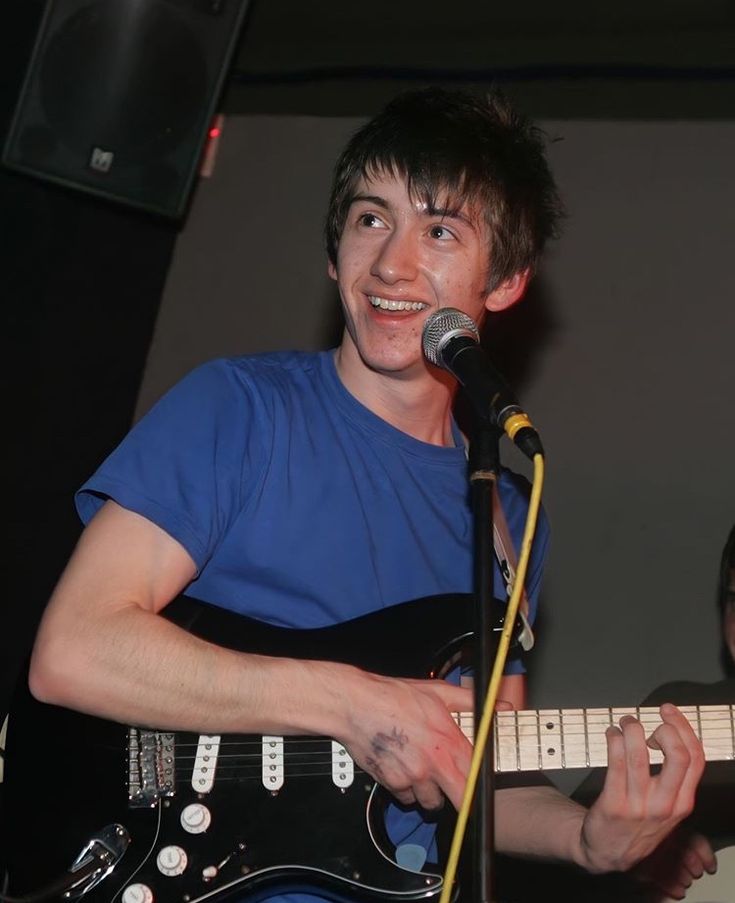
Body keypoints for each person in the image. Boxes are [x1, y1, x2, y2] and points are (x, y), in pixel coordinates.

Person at [9, 87, 708, 901]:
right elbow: (73, 651)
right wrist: (349, 702)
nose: (391, 264)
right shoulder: (240, 408)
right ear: (334, 251)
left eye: (439, 230)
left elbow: (477, 768)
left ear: (508, 279)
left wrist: (587, 840)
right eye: (370, 219)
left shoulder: (509, 515)